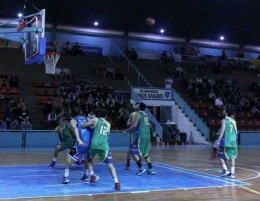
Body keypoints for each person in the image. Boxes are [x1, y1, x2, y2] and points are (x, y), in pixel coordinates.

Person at [82, 109, 121, 190]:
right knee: (110, 165)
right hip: (104, 145)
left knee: (88, 159)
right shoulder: (108, 124)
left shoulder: (95, 119)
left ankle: (92, 175)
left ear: (98, 115)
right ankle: (117, 183)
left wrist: (87, 123)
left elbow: (84, 125)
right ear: (106, 116)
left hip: (94, 144)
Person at [123, 102, 155, 176]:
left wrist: (126, 131)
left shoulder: (138, 114)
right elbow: (150, 126)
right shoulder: (146, 115)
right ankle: (151, 169)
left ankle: (141, 168)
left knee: (133, 152)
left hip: (140, 136)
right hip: (147, 136)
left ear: (139, 107)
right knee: (146, 153)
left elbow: (134, 125)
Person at [62, 107, 92, 184]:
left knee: (69, 156)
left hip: (82, 143)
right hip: (89, 142)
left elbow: (75, 129)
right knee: (86, 157)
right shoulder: (86, 119)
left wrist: (78, 139)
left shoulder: (73, 120)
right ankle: (86, 175)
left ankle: (66, 177)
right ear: (81, 112)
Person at [216, 109, 238, 179]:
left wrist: (218, 141)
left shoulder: (224, 120)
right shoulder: (233, 121)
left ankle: (225, 170)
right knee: (232, 158)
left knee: (220, 156)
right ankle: (232, 174)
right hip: (233, 141)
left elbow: (222, 131)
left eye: (225, 111)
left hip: (226, 141)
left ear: (226, 113)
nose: (223, 112)